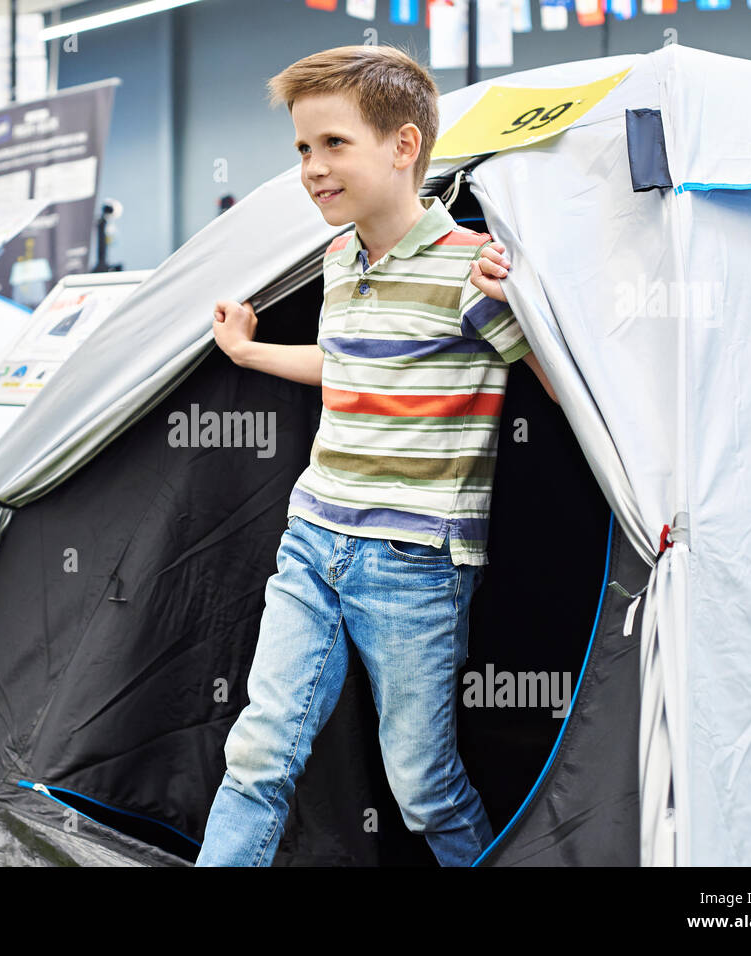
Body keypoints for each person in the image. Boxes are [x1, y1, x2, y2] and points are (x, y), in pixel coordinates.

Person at [198, 44, 560, 868]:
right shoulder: (337, 260)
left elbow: (560, 384)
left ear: (404, 147)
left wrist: (532, 302)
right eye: (301, 149)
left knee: (422, 786)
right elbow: (349, 365)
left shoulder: (471, 270)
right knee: (257, 753)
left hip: (414, 563)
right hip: (313, 538)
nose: (312, 169)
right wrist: (251, 356)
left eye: (333, 144)